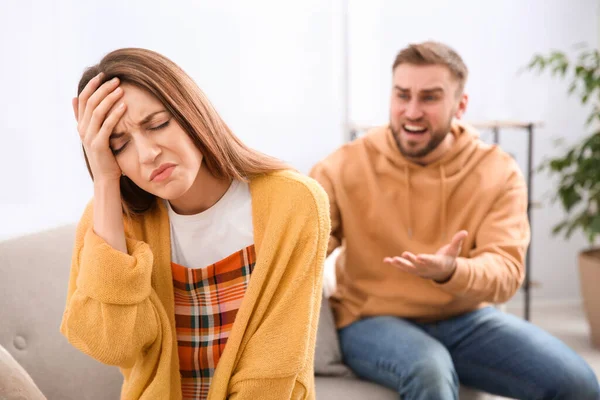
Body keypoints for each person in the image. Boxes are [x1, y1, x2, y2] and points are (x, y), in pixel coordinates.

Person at [309, 41, 600, 400]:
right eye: (403, 95)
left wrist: (451, 271)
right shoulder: (343, 165)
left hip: (465, 319)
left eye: (430, 98)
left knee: (580, 384)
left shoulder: (497, 170)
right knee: (429, 369)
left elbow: (506, 272)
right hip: (370, 319)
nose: (411, 111)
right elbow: (309, 243)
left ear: (460, 105)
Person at [60, 48, 330, 400]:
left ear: (190, 111)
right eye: (120, 145)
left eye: (156, 124)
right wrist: (105, 181)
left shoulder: (294, 203)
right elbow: (114, 347)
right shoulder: (110, 219)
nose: (147, 154)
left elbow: (275, 370)